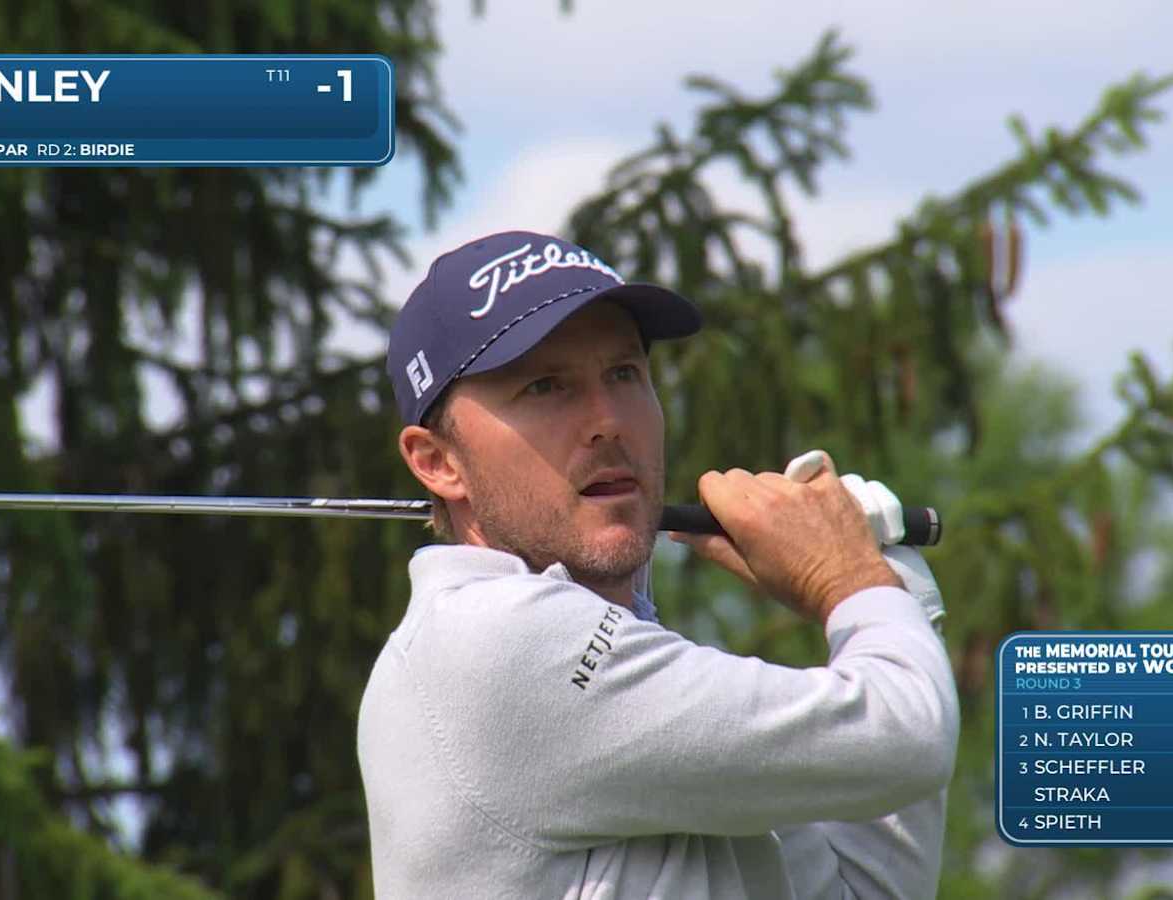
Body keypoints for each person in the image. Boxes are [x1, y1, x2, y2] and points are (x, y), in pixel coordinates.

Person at [359, 230, 959, 899]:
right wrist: (847, 581)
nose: (608, 421)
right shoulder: (489, 640)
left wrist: (891, 582)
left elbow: (872, 887)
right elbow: (907, 738)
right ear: (437, 461)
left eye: (624, 374)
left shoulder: (639, 701)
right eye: (546, 386)